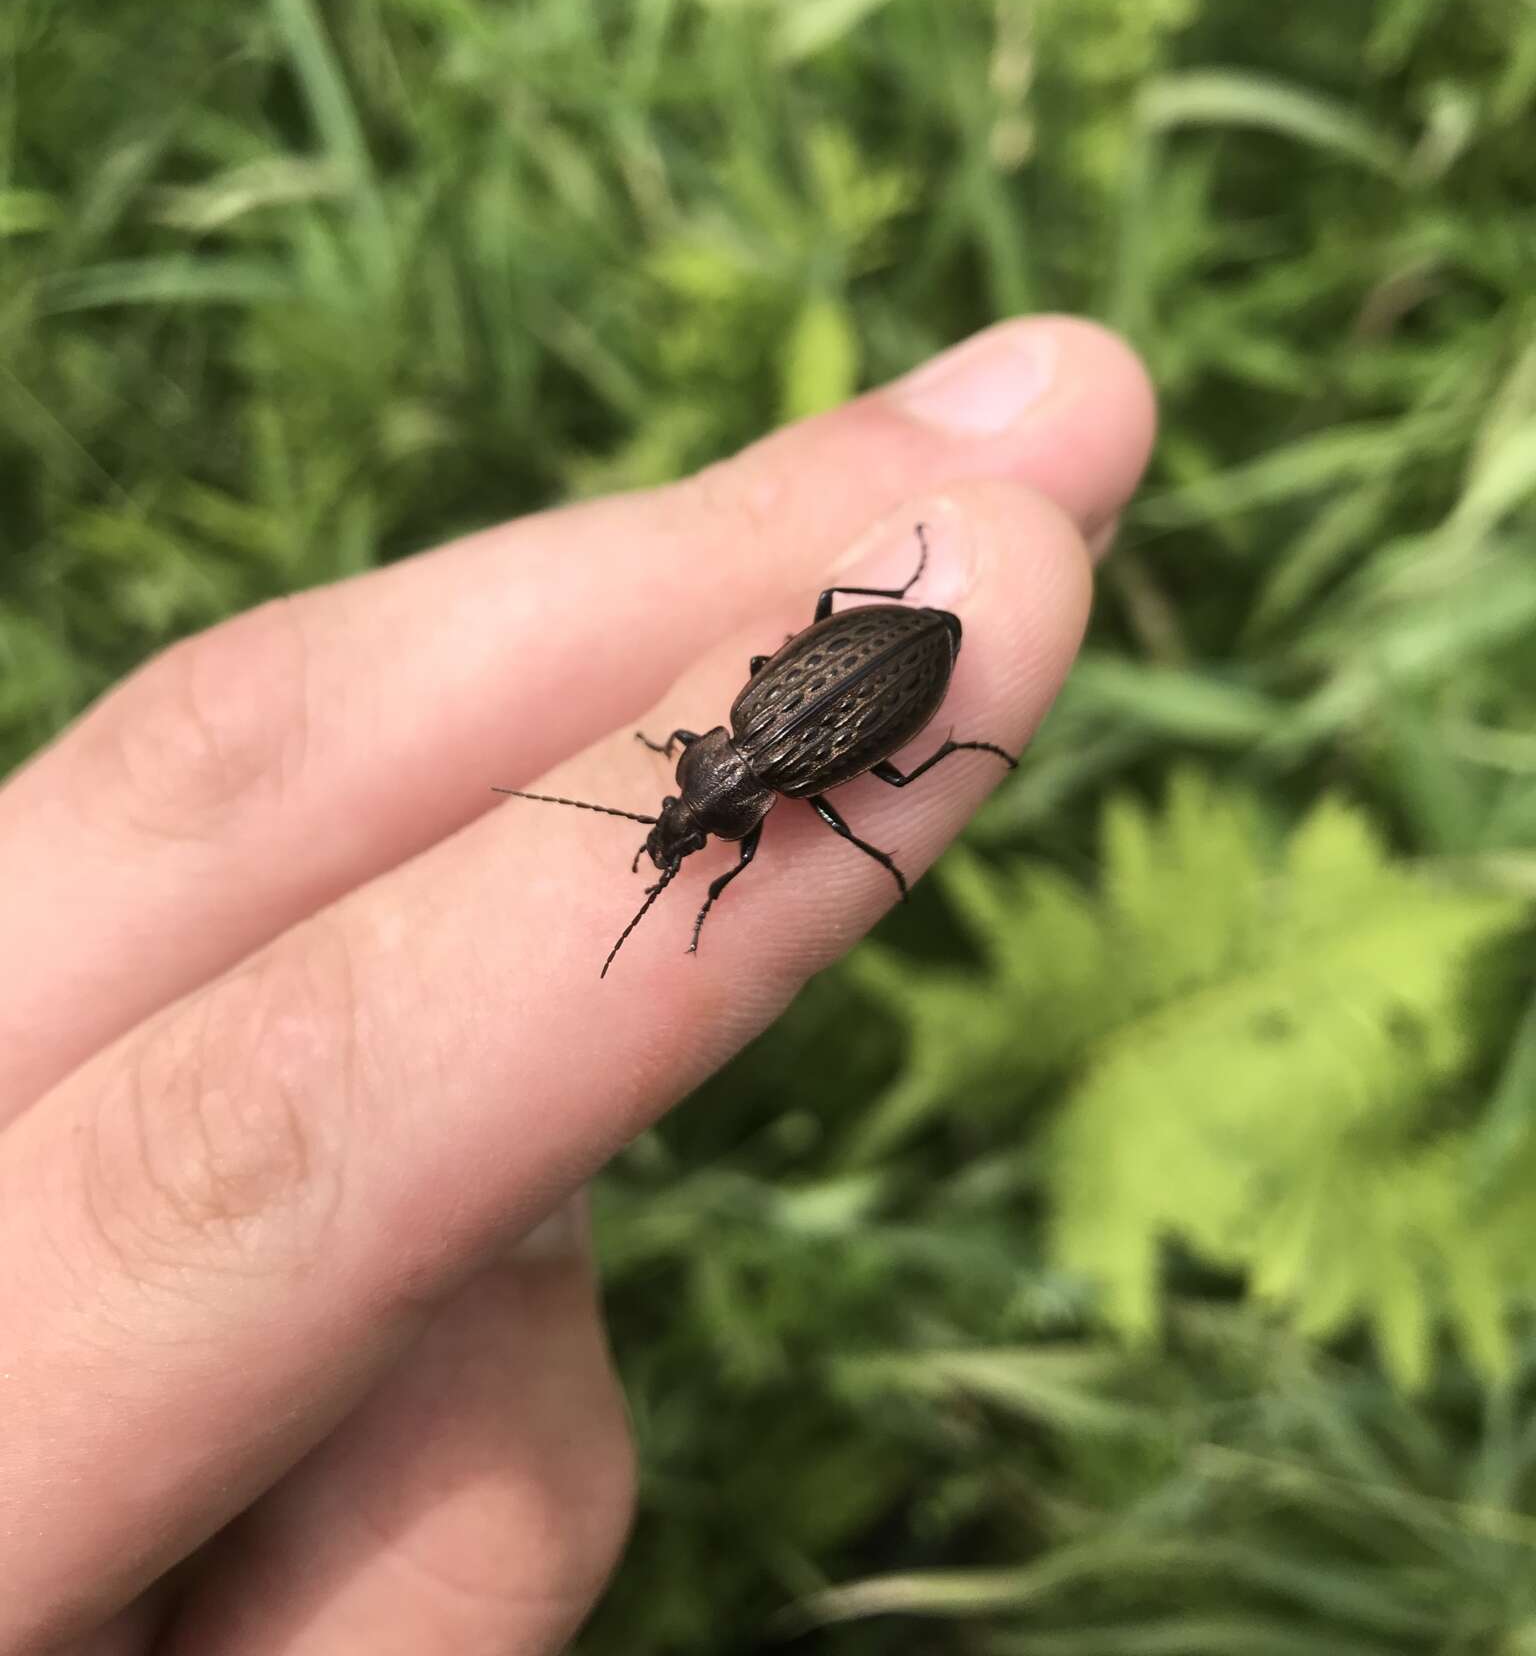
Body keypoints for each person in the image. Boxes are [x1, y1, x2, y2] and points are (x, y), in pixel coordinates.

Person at [0, 316, 1154, 1655]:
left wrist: (745, 856)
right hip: (882, 654)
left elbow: (829, 774)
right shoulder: (740, 760)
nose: (688, 827)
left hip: (904, 654)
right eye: (691, 823)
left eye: (690, 821)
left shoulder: (764, 783)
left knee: (869, 798)